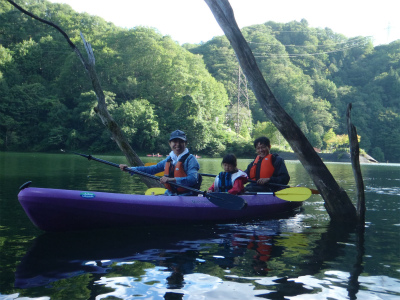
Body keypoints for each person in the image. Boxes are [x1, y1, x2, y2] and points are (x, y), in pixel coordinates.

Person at [119, 130, 200, 196]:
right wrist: (131, 169)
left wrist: (171, 180)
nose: (177, 144)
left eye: (181, 141)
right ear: (170, 143)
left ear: (185, 143)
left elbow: (192, 179)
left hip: (187, 195)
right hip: (171, 194)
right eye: (175, 141)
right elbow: (152, 169)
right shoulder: (170, 159)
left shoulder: (191, 160)